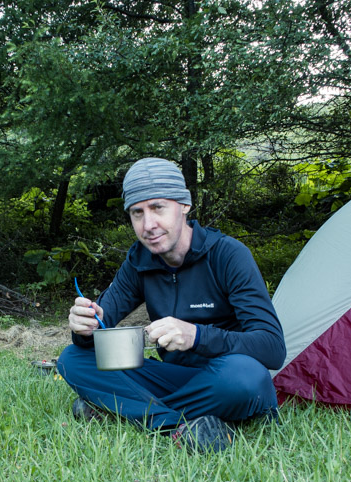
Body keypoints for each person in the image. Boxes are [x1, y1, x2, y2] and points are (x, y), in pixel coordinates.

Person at [56, 157, 286, 452]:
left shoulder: (228, 255)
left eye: (158, 208)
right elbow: (101, 325)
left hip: (226, 375)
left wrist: (196, 336)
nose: (148, 225)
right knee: (72, 359)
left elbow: (272, 348)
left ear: (184, 205)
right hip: (174, 378)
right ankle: (179, 425)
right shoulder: (139, 261)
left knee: (246, 377)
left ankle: (125, 409)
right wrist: (84, 328)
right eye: (137, 213)